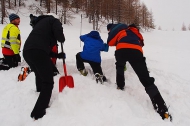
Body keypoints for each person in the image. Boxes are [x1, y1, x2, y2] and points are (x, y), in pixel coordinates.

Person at [106, 23, 172, 121]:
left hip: (121, 50)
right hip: (136, 51)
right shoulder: (135, 32)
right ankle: (162, 109)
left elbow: (110, 42)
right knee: (145, 79)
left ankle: (120, 86)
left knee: (120, 66)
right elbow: (141, 42)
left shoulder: (118, 30)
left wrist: (115, 37)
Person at [23, 13, 65, 120]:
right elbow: (59, 32)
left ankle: (39, 92)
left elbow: (43, 49)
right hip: (38, 51)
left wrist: (57, 55)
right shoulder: (53, 20)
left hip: (27, 51)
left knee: (39, 74)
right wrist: (61, 38)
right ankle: (38, 112)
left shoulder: (40, 25)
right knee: (48, 81)